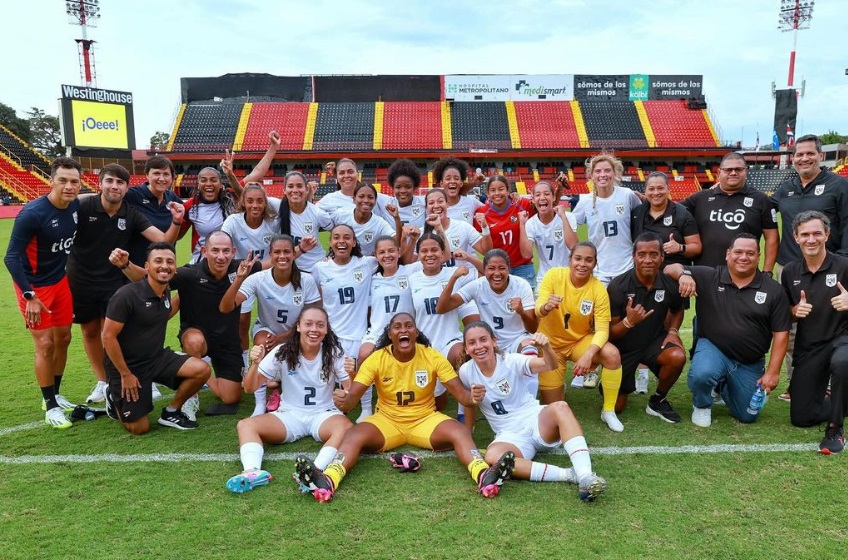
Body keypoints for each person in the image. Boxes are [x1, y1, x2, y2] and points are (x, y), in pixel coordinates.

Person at [292, 313, 515, 502]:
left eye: (409, 326)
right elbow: (351, 402)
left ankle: (484, 474)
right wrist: (343, 399)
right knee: (354, 434)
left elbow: (463, 397)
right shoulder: (377, 358)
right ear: (390, 335)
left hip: (425, 419)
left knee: (459, 431)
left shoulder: (432, 355)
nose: (403, 330)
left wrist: (474, 397)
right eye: (397, 327)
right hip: (387, 421)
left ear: (416, 333)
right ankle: (328, 479)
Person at [67, 163, 181, 404]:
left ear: (127, 187)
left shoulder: (131, 213)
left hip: (114, 281)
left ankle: (135, 376)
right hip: (81, 280)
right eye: (109, 181)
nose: (114, 186)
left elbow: (162, 240)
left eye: (120, 182)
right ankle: (103, 381)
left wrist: (177, 222)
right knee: (89, 331)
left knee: (118, 332)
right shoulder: (83, 206)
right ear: (100, 183)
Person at [458, 322, 606, 502]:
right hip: (509, 435)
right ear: (466, 349)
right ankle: (569, 475)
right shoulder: (466, 371)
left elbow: (549, 365)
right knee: (492, 456)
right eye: (472, 343)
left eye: (483, 340)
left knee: (560, 407)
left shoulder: (511, 361)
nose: (479, 346)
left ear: (494, 341)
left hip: (534, 419)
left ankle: (586, 476)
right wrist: (469, 423)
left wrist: (546, 347)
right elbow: (467, 402)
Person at [665, 234, 791, 427]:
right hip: (714, 348)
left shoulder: (773, 290)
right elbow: (669, 268)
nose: (743, 257)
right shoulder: (710, 276)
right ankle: (702, 404)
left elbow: (781, 333)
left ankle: (723, 386)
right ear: (727, 254)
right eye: (738, 252)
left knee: (748, 415)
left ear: (758, 256)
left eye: (750, 253)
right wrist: (684, 275)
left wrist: (773, 372)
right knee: (702, 374)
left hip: (749, 361)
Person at [226, 305, 354, 493]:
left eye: (320, 325)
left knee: (345, 427)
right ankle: (252, 472)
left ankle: (315, 471)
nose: (314, 329)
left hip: (323, 414)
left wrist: (350, 379)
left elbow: (351, 393)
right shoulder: (283, 351)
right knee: (246, 425)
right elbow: (249, 387)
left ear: (326, 329)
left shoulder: (334, 352)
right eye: (308, 324)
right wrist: (255, 363)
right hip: (289, 415)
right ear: (299, 327)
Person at [4, 157, 82, 429]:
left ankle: (56, 394)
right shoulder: (33, 213)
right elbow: (11, 257)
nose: (69, 186)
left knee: (64, 338)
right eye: (63, 180)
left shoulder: (74, 207)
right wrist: (29, 296)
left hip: (59, 282)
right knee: (45, 344)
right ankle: (50, 407)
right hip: (33, 288)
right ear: (51, 181)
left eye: (74, 181)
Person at [101, 242, 211, 434]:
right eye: (158, 261)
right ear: (146, 266)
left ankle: (171, 411)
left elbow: (163, 313)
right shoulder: (126, 295)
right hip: (128, 367)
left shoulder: (165, 293)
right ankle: (113, 395)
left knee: (201, 369)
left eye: (170, 262)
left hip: (156, 358)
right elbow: (108, 337)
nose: (164, 266)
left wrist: (192, 291)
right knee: (139, 428)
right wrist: (125, 374)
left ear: (175, 269)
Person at [770, 135, 848, 401]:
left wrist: (843, 262)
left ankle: (828, 383)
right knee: (791, 326)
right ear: (793, 158)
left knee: (828, 326)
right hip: (790, 269)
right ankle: (797, 383)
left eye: (809, 154)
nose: (804, 158)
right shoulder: (787, 187)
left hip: (829, 270)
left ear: (820, 155)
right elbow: (762, 207)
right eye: (798, 154)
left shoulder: (838, 185)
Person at [220, 234, 321, 416]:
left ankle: (288, 393)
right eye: (277, 252)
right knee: (262, 344)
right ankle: (259, 404)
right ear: (270, 254)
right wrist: (239, 279)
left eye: (287, 252)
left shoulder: (306, 280)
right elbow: (226, 307)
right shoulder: (258, 278)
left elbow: (314, 316)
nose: (282, 256)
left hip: (299, 332)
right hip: (267, 329)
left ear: (293, 253)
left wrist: (286, 336)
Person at [568, 153, 642, 389]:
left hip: (625, 268)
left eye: (607, 171)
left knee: (630, 320)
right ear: (590, 176)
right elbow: (571, 227)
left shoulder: (628, 196)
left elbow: (642, 216)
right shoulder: (584, 202)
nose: (602, 175)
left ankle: (639, 369)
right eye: (597, 171)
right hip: (598, 271)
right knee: (593, 322)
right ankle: (591, 368)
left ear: (615, 173)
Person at [535, 242, 625, 432]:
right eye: (578, 258)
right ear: (570, 260)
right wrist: (546, 306)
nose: (582, 264)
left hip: (578, 342)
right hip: (550, 347)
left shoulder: (598, 289)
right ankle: (557, 385)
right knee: (554, 409)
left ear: (595, 263)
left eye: (588, 260)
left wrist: (589, 354)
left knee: (612, 354)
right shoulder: (553, 276)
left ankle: (608, 410)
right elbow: (538, 310)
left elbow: (602, 330)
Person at [779, 211, 848, 454]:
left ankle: (835, 428)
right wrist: (794, 309)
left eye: (817, 233)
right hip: (810, 346)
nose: (811, 239)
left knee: (843, 361)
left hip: (842, 339)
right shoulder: (789, 271)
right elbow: (782, 313)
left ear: (827, 235)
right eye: (805, 234)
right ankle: (842, 401)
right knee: (801, 418)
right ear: (795, 237)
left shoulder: (844, 265)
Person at [436, 249, 538, 400]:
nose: (497, 273)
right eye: (491, 268)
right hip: (492, 343)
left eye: (502, 268)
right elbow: (442, 308)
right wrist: (453, 278)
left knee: (530, 348)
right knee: (467, 361)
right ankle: (468, 411)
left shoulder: (521, 285)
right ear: (484, 270)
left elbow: (532, 328)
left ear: (509, 269)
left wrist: (521, 311)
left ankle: (530, 402)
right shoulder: (478, 285)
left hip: (517, 339)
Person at [607, 233, 686, 422]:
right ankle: (610, 379)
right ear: (633, 256)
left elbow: (678, 309)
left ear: (662, 257)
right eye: (642, 254)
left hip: (653, 342)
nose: (648, 260)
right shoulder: (618, 286)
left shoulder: (669, 284)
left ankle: (658, 400)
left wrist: (673, 332)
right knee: (616, 407)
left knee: (677, 356)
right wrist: (629, 322)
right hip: (623, 349)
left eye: (653, 254)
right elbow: (610, 333)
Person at [312, 224, 379, 421]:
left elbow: (393, 254)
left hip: (358, 333)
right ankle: (328, 406)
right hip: (331, 335)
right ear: (330, 242)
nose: (342, 241)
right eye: (337, 237)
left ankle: (366, 409)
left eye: (347, 237)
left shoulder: (367, 263)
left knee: (361, 371)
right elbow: (313, 297)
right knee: (327, 374)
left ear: (354, 242)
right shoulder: (320, 268)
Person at [680, 152, 778, 270]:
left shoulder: (761, 200)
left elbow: (772, 238)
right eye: (728, 170)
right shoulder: (700, 198)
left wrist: (767, 272)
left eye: (738, 169)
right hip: (704, 274)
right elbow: (671, 210)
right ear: (719, 173)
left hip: (744, 275)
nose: (733, 173)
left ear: (746, 171)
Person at [357, 235, 423, 368]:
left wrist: (438, 228)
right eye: (382, 252)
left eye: (391, 251)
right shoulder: (372, 279)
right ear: (375, 256)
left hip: (406, 329)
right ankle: (364, 388)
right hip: (379, 330)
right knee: (364, 355)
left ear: (399, 252)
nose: (387, 255)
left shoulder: (411, 271)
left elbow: (442, 257)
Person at [474, 175, 536, 287]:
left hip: (523, 267)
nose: (497, 193)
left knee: (526, 303)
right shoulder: (482, 213)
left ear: (508, 191)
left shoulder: (523, 205)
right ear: (487, 194)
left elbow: (546, 208)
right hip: (497, 269)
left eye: (501, 189)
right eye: (493, 190)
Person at [630, 172, 701, 267]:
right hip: (643, 272)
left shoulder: (682, 214)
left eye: (660, 188)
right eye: (651, 189)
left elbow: (696, 247)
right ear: (645, 191)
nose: (656, 193)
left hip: (672, 273)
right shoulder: (636, 213)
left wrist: (679, 247)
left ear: (668, 189)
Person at [124, 155, 185, 266]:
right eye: (156, 173)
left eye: (166, 174)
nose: (161, 178)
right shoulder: (132, 196)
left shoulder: (174, 199)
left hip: (164, 269)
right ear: (147, 175)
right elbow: (102, 198)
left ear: (172, 177)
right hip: (136, 270)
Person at [520, 180, 578, 289]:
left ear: (554, 197)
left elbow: (574, 246)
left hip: (569, 276)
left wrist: (563, 217)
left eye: (546, 194)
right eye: (538, 195)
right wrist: (522, 225)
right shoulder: (531, 223)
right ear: (533, 200)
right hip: (545, 278)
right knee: (542, 306)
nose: (542, 197)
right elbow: (527, 254)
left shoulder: (568, 217)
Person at [277, 170, 334, 274]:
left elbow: (336, 232)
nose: (295, 190)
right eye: (290, 186)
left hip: (316, 269)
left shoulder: (318, 213)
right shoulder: (277, 207)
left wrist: (332, 256)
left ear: (306, 189)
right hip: (290, 270)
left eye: (299, 186)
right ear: (284, 190)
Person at [423, 188, 488, 271]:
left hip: (463, 279)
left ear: (447, 204)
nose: (436, 206)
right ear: (426, 208)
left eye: (440, 201)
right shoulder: (422, 234)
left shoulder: (463, 226)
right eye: (431, 203)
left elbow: (485, 251)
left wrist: (485, 228)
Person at [331, 182, 401, 256]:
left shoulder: (379, 223)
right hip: (343, 261)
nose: (366, 200)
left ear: (375, 201)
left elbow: (396, 242)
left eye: (370, 197)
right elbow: (323, 225)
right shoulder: (341, 214)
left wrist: (397, 218)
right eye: (361, 196)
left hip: (366, 265)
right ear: (354, 199)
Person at [374, 158, 427, 228]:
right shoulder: (385, 203)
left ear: (414, 188)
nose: (403, 191)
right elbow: (361, 190)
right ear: (393, 188)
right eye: (398, 187)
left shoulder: (424, 202)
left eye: (408, 187)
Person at [432, 156, 485, 224]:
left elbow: (491, 209)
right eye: (448, 178)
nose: (452, 181)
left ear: (461, 183)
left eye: (456, 178)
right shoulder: (435, 206)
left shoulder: (471, 203)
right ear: (441, 183)